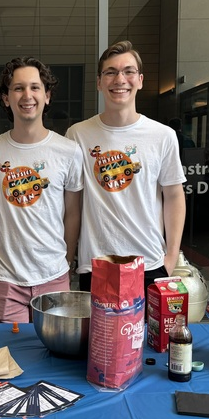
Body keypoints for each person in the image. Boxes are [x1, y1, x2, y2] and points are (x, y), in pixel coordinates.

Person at [0, 56, 83, 324]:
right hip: (5, 277)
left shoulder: (69, 151)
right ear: (6, 98)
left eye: (35, 87)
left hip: (53, 275)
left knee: (52, 356)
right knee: (7, 355)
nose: (27, 95)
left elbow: (73, 214)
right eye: (18, 88)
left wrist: (67, 262)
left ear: (47, 96)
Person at [65, 40, 187, 293]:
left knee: (146, 334)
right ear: (99, 82)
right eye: (111, 72)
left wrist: (170, 258)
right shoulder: (78, 135)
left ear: (140, 80)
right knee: (99, 334)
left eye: (128, 71)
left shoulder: (162, 135)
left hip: (150, 264)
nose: (120, 79)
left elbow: (174, 196)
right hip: (96, 265)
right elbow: (67, 197)